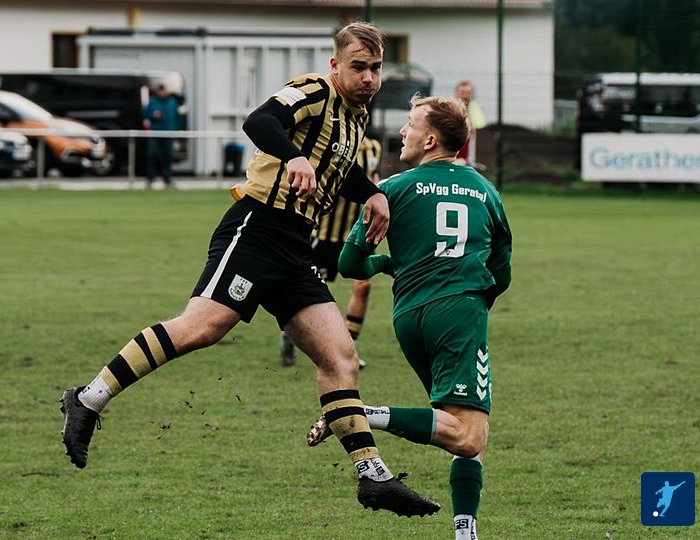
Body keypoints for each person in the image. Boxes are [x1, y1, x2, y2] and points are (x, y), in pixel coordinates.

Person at [60, 21, 440, 517]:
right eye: (358, 67)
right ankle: (87, 399)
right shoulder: (313, 91)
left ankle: (374, 478)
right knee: (203, 327)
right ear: (335, 65)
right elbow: (259, 121)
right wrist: (292, 157)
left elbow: (338, 169)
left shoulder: (355, 115)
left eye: (375, 68)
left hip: (296, 246)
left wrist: (371, 193)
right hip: (257, 228)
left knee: (340, 357)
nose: (369, 77)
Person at [305, 95, 512, 540]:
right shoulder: (485, 191)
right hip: (458, 314)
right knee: (470, 434)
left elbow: (350, 264)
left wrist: (387, 263)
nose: (403, 130)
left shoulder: (392, 190)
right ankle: (363, 413)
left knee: (458, 424)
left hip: (408, 317)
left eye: (411, 124)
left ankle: (465, 531)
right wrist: (472, 302)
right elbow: (502, 271)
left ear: (431, 140)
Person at [279, 135, 382, 369]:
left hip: (358, 234)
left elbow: (374, 180)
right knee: (305, 294)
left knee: (363, 286)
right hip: (325, 235)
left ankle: (349, 349)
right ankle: (288, 336)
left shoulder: (374, 147)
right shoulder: (334, 142)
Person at [142, 84, 181, 188]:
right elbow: (144, 114)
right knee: (152, 155)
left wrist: (175, 128)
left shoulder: (172, 102)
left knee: (167, 156)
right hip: (155, 133)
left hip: (169, 133)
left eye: (164, 91)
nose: (162, 93)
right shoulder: (153, 101)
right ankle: (150, 178)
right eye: (160, 91)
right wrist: (153, 115)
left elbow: (178, 117)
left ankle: (167, 179)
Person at [454, 81, 486, 167]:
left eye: (468, 93)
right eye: (462, 92)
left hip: (470, 155)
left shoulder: (475, 107)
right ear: (456, 93)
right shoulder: (452, 108)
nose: (465, 96)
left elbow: (480, 126)